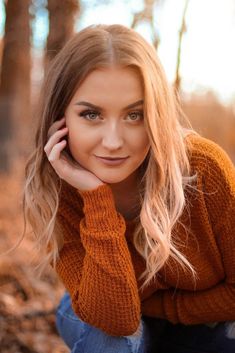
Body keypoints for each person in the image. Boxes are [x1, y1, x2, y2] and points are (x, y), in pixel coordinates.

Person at [23, 24, 235, 353]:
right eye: (91, 114)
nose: (112, 142)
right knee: (109, 340)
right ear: (60, 118)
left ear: (157, 116)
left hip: (205, 322)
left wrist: (164, 310)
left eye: (134, 115)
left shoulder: (203, 170)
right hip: (99, 311)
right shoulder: (59, 187)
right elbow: (116, 319)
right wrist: (95, 198)